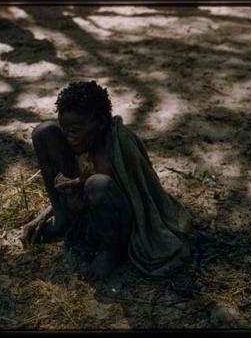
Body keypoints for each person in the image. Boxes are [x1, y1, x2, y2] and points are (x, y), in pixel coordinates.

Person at [21, 81, 192, 281]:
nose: (69, 138)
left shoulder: (121, 143)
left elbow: (134, 196)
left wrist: (81, 183)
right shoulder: (83, 142)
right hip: (82, 212)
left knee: (97, 184)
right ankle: (62, 220)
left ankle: (109, 251)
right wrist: (46, 214)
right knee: (44, 132)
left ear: (100, 122)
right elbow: (77, 173)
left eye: (75, 131)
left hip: (118, 223)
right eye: (65, 130)